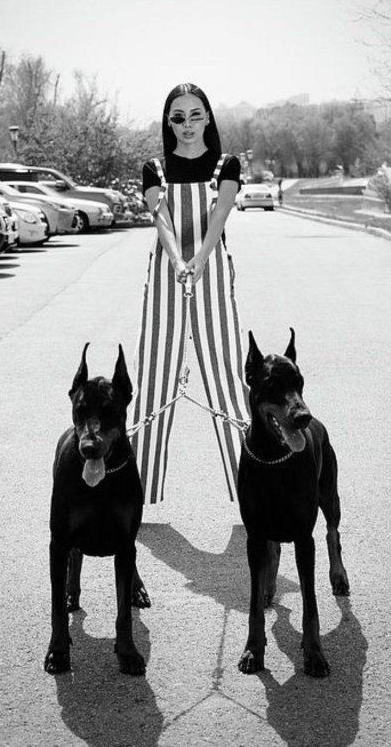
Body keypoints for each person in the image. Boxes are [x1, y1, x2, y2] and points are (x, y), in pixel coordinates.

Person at [129, 82, 249, 504]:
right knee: (154, 374)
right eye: (178, 117)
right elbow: (160, 218)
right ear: (168, 122)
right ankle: (136, 490)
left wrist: (198, 258)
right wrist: (178, 261)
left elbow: (220, 213)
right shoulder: (154, 169)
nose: (187, 124)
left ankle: (252, 487)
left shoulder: (226, 165)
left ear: (208, 117)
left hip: (211, 270)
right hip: (167, 273)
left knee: (227, 374)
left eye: (196, 115)